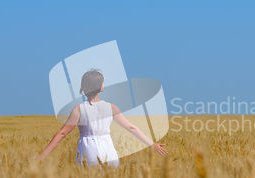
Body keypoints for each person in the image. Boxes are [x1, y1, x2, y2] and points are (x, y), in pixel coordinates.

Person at [32, 69, 167, 166]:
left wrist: (43, 155)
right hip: (107, 148)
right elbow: (131, 128)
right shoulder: (111, 107)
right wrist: (151, 144)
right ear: (100, 87)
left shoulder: (78, 109)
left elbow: (62, 133)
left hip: (87, 150)